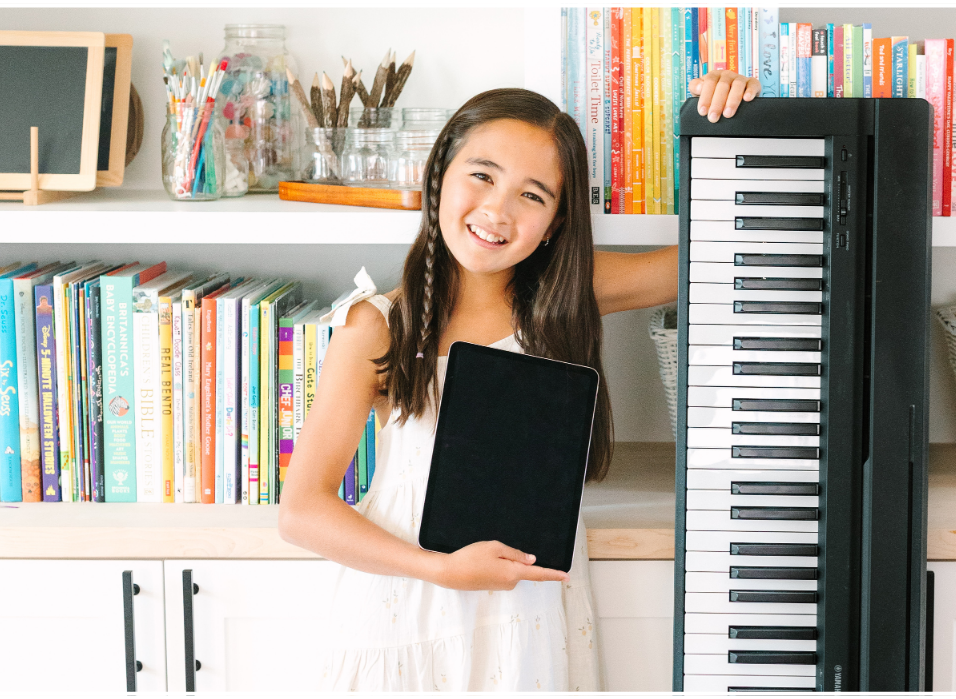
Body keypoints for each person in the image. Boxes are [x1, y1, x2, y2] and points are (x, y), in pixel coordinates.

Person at [279, 69, 761, 692]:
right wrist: (439, 570)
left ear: (557, 221)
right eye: (482, 175)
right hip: (409, 605)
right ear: (439, 177)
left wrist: (738, 121)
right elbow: (303, 511)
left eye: (534, 195)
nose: (497, 210)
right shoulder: (378, 325)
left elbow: (724, 246)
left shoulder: (567, 296)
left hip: (528, 606)